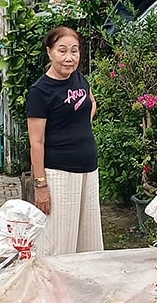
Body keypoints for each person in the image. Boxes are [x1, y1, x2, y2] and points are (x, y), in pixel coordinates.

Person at [25, 26, 103, 256]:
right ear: (49, 52)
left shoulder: (79, 78)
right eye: (62, 51)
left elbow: (90, 102)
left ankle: (84, 289)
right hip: (60, 174)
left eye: (74, 51)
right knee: (59, 243)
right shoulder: (40, 91)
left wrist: (79, 127)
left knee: (88, 241)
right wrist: (41, 186)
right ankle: (53, 290)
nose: (69, 58)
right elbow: (36, 142)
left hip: (89, 170)